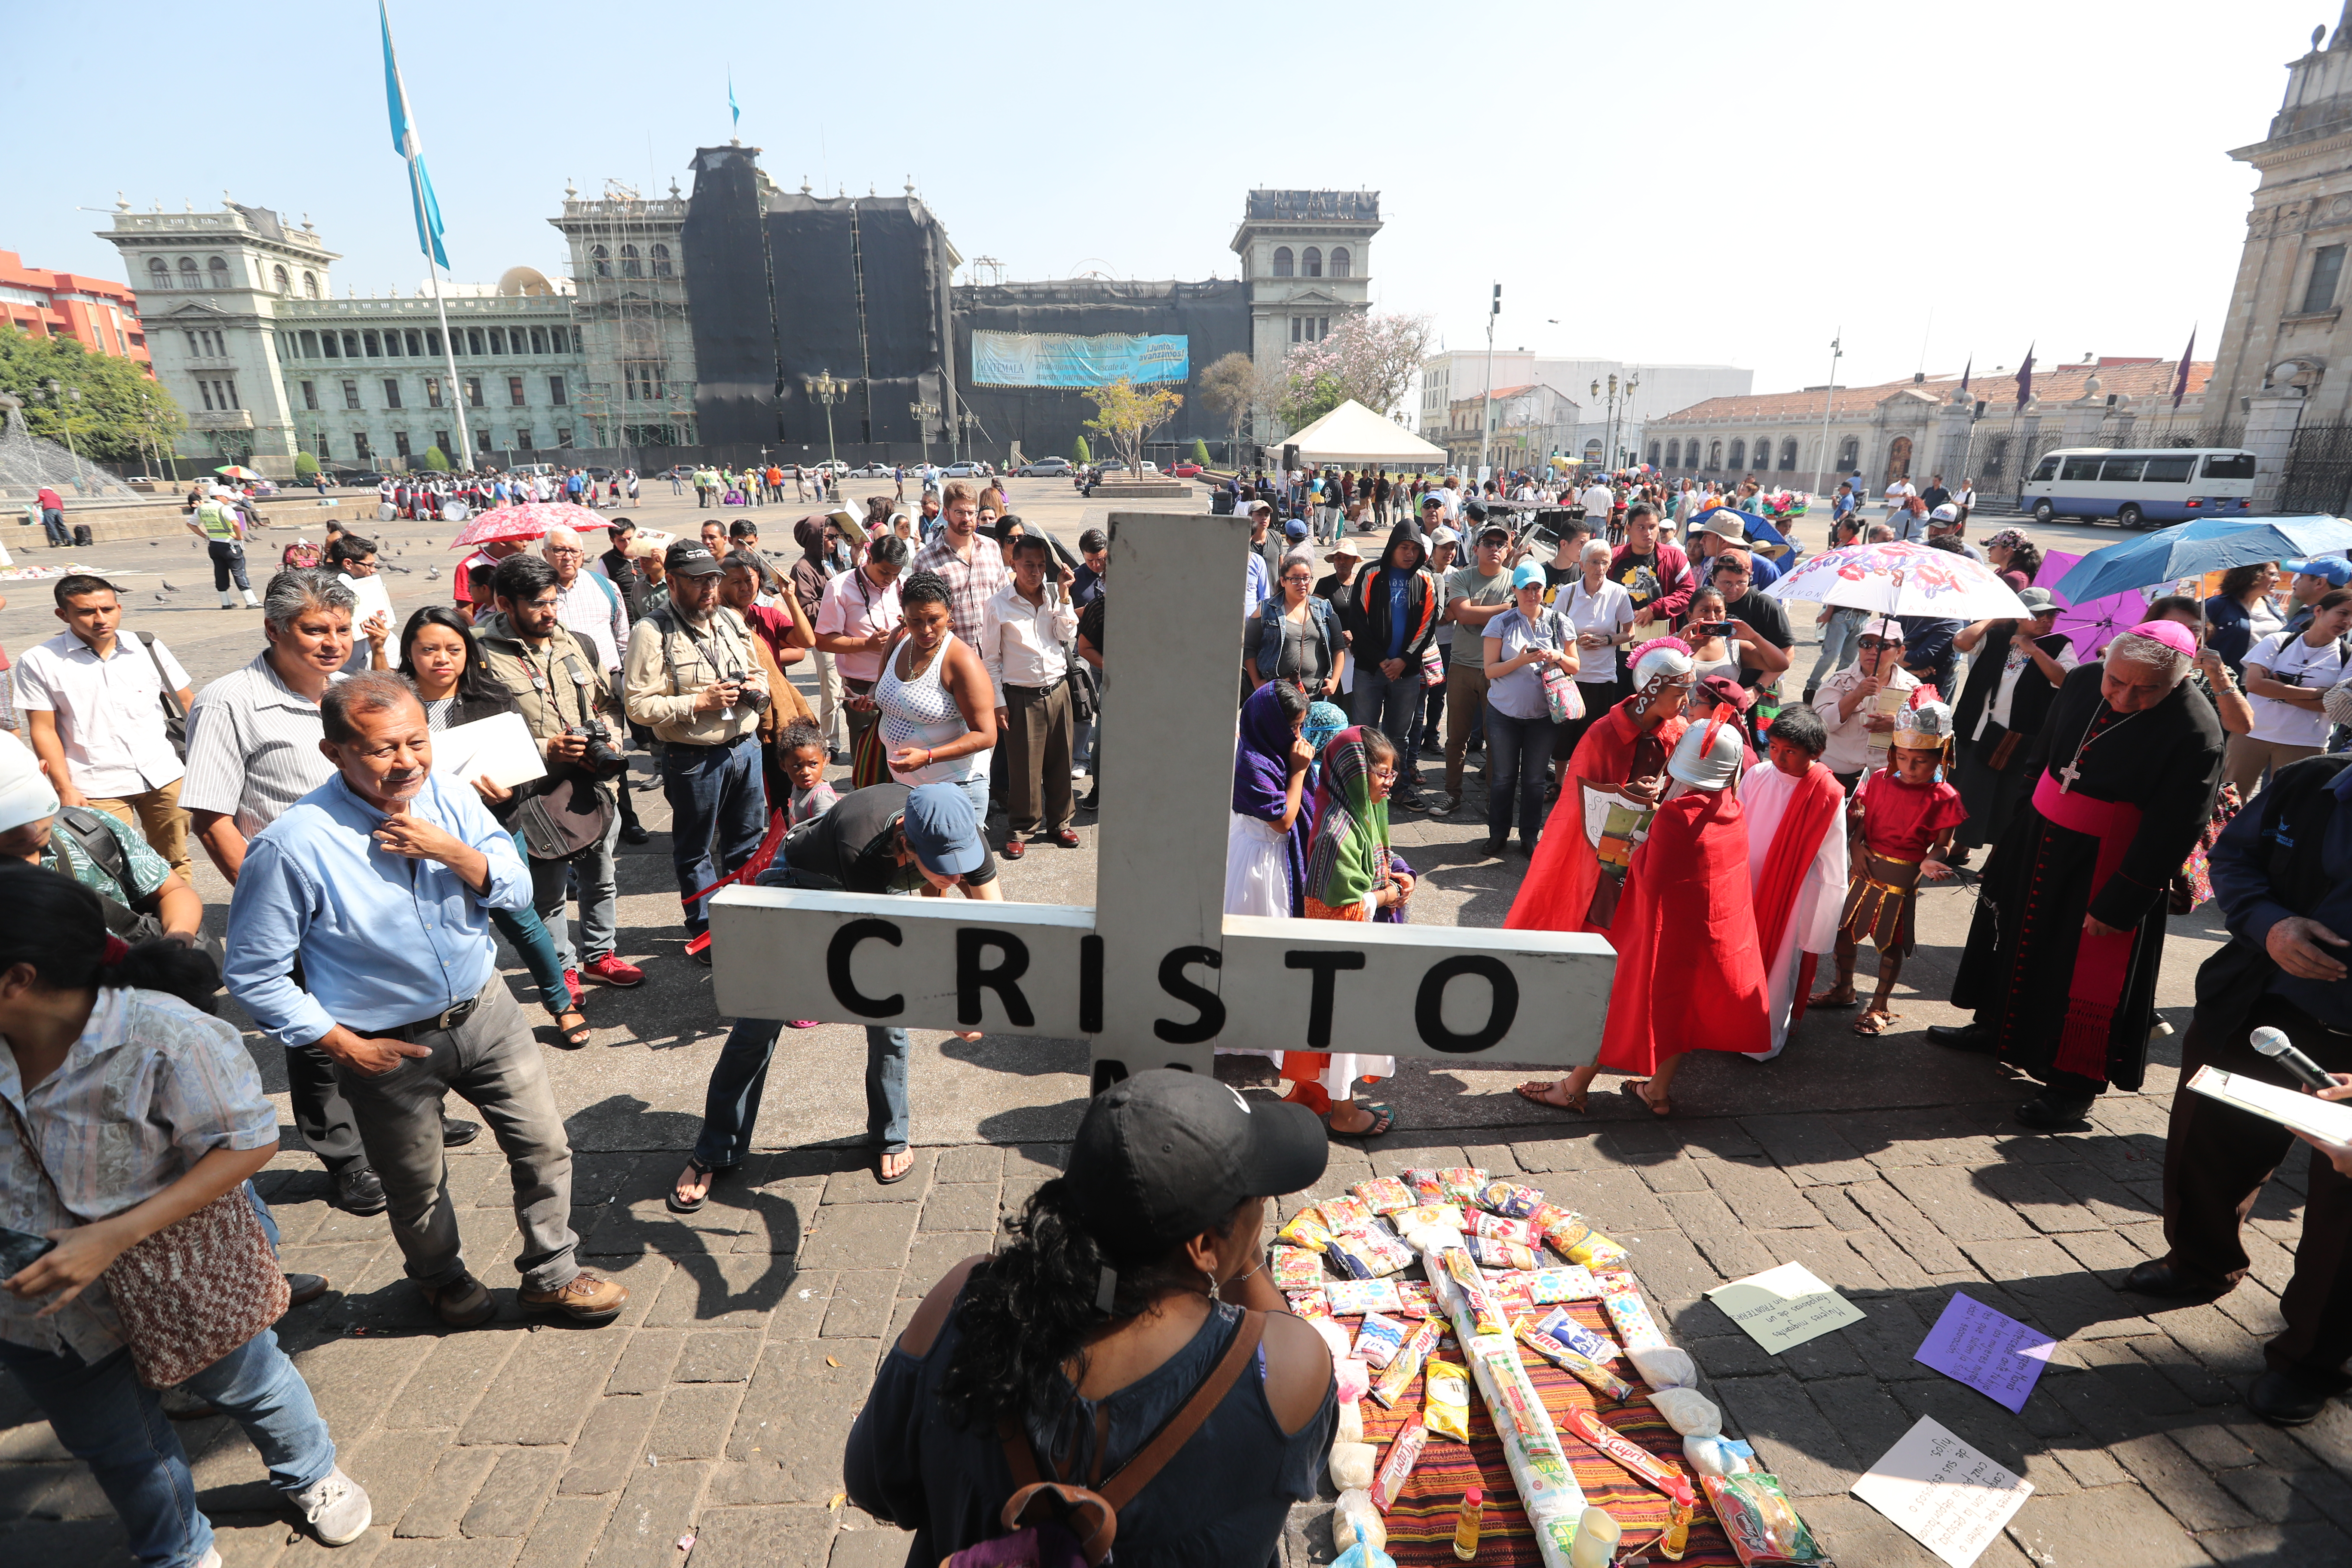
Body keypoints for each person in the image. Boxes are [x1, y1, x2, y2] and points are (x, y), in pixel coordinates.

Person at [223, 674, 629, 1328]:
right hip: (387, 1046)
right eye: (384, 749)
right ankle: (441, 1280)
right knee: (415, 1184)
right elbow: (254, 974)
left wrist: (452, 851)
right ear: (335, 754)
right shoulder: (293, 845)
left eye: (418, 742)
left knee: (545, 1145)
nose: (407, 762)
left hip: (487, 1011)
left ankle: (552, 1273)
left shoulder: (449, 799)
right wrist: (343, 1045)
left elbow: (518, 892)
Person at [0, 864, 375, 1560]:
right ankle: (178, 1548)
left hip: (182, 1266)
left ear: (15, 979)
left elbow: (250, 1139)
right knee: (118, 1446)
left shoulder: (165, 1033)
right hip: (39, 1306)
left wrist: (115, 1234)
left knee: (254, 1383)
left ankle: (310, 1472)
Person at [845, 1069, 1332, 1563]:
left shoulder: (963, 1302)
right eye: (1257, 1199)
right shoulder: (1286, 1374)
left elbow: (871, 1484)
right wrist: (1242, 1256)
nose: (1266, 1206)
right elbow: (1282, 1351)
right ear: (1205, 1244)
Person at [2125, 749, 2352, 1424]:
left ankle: (2314, 1357)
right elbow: (2234, 858)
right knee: (2209, 1146)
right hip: (2261, 1007)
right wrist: (2268, 924)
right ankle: (2199, 1261)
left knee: (2346, 1216)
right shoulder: (2311, 781)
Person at [1934, 623, 2228, 1127]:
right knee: (2008, 932)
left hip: (2108, 863)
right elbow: (2043, 757)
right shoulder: (2082, 680)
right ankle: (1995, 1028)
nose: (2122, 696)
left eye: (2145, 690)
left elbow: (2175, 829)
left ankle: (2071, 1085)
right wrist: (2019, 827)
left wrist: (2121, 902)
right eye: (2116, 681)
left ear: (2178, 681)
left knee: (2074, 968)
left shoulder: (2197, 730)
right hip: (2038, 834)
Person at [671, 781, 999, 1200]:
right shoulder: (861, 844)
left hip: (878, 882)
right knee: (759, 1020)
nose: (958, 876)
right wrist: (949, 1005)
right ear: (907, 843)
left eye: (962, 864)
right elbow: (885, 955)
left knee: (889, 1027)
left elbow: (994, 924)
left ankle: (890, 1135)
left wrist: (973, 1000)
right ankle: (716, 1150)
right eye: (944, 865)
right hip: (804, 882)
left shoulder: (963, 832)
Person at [398, 606, 590, 1047]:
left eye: (454, 648)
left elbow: (525, 773)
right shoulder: (394, 703)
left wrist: (510, 794)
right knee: (429, 925)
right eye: (429, 649)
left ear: (470, 651)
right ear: (410, 653)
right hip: (419, 835)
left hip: (492, 828)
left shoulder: (493, 697)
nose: (442, 659)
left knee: (522, 920)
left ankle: (561, 1003)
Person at [1579, 711, 1773, 1116]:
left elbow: (1643, 875)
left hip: (1659, 931)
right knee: (1681, 1006)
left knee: (1618, 999)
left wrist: (1635, 833)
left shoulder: (1673, 816)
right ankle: (1658, 1092)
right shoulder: (1731, 808)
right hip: (1708, 933)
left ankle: (1574, 1087)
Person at [473, 554, 646, 998]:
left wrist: (610, 735)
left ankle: (600, 956)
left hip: (592, 784)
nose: (550, 612)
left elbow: (608, 703)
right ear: (504, 604)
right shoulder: (480, 657)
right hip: (534, 794)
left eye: (553, 602)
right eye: (537, 604)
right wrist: (545, 749)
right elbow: (474, 733)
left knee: (602, 879)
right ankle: (563, 970)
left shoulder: (577, 643)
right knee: (549, 895)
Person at [1506, 634, 1697, 1008]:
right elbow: (1577, 807)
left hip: (1648, 848)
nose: (1687, 703)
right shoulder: (1603, 735)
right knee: (1597, 910)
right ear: (1651, 689)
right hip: (1604, 853)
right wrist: (1627, 794)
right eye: (1680, 694)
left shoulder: (1677, 730)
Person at [624, 542, 771, 955]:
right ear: (671, 582)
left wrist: (754, 687)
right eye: (698, 580)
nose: (710, 588)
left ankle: (745, 919)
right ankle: (707, 932)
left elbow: (757, 668)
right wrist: (698, 703)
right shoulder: (650, 632)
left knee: (746, 843)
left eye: (713, 579)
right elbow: (637, 705)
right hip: (693, 759)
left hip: (745, 748)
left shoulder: (727, 618)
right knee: (696, 851)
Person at [16, 574, 196, 882]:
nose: (100, 619)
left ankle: (182, 927)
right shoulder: (39, 661)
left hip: (164, 776)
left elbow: (188, 703)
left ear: (119, 607)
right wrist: (64, 788)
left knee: (175, 860)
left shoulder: (147, 646)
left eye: (108, 609)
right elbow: (43, 730)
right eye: (87, 612)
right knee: (109, 868)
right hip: (95, 785)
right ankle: (131, 929)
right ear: (63, 615)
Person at [1810, 694, 1966, 1035]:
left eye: (1921, 761)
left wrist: (1929, 862)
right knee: (1844, 932)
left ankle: (1879, 1003)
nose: (1910, 768)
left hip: (1902, 874)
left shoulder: (1945, 796)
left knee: (1890, 941)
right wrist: (1855, 846)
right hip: (1863, 869)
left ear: (1941, 757)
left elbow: (1943, 845)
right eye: (1904, 757)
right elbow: (1863, 824)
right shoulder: (1879, 779)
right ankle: (1843, 988)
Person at [1292, 726, 1405, 1138]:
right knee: (1344, 1032)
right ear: (1354, 774)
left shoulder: (1364, 811)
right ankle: (1342, 1113)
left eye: (1393, 773)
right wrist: (1387, 895)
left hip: (1355, 951)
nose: (1390, 783)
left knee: (1348, 1033)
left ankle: (1337, 1101)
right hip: (1340, 959)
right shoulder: (1334, 835)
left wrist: (1397, 877)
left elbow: (1376, 863)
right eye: (1381, 773)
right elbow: (1333, 912)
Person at [1738, 708, 1848, 1060]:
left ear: (1814, 752)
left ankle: (1761, 1038)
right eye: (1774, 748)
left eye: (1790, 752)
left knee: (1778, 963)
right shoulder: (1757, 775)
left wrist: (1822, 918)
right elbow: (1735, 823)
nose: (1779, 758)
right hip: (1745, 882)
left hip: (1791, 893)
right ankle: (1726, 1025)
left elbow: (1833, 861)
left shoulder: (1827, 793)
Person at [1950, 588, 2076, 864]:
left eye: (2051, 614)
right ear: (2019, 615)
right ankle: (1961, 846)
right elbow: (1961, 642)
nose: (2047, 620)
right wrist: (1996, 618)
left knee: (2009, 798)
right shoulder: (1996, 636)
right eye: (2038, 614)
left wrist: (2034, 650)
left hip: (2021, 735)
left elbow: (2067, 681)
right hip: (1978, 727)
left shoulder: (2059, 644)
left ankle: (1997, 858)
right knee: (1969, 790)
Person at [541, 526, 649, 846]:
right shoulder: (540, 595)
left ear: (583, 553)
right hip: (557, 688)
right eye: (559, 550)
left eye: (573, 551)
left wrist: (624, 675)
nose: (567, 557)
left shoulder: (604, 586)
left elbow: (622, 634)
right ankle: (567, 828)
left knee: (612, 751)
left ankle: (626, 819)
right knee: (570, 757)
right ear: (545, 554)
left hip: (604, 685)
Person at [981, 535, 1081, 858]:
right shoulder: (998, 605)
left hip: (1058, 689)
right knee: (1024, 768)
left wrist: (1064, 596)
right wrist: (998, 701)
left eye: (1041, 565)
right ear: (1014, 564)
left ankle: (1061, 823)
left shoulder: (1054, 596)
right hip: (1020, 696)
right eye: (1029, 565)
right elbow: (991, 659)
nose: (1036, 572)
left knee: (1062, 761)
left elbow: (1067, 636)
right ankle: (1022, 828)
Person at [875, 569, 998, 819]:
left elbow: (986, 735)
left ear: (949, 613)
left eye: (934, 619)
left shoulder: (962, 661)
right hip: (904, 786)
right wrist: (870, 701)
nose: (926, 630)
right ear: (903, 616)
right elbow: (884, 689)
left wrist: (928, 757)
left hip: (955, 788)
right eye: (915, 621)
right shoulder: (898, 640)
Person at [1480, 563, 1580, 858]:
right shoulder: (1501, 622)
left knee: (1535, 779)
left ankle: (1529, 836)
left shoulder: (1560, 622)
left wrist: (1557, 655)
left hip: (1543, 716)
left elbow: (1575, 666)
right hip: (1504, 714)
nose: (1531, 594)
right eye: (1525, 588)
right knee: (1503, 777)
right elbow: (1490, 670)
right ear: (1515, 590)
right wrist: (1521, 661)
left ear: (1544, 590)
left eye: (1537, 588)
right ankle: (1498, 834)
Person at [1337, 524, 1439, 811]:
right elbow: (1359, 621)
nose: (1409, 554)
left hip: (1406, 674)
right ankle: (1359, 789)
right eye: (1404, 548)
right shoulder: (1371, 574)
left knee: (1399, 737)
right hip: (1370, 670)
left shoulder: (1426, 579)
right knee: (1363, 733)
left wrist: (1404, 660)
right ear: (1393, 546)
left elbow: (1428, 624)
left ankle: (1399, 789)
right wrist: (1382, 660)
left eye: (1415, 549)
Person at [2227, 588, 2352, 799]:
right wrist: (2315, 693)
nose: (2347, 621)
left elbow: (2332, 705)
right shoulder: (2278, 641)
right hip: (2251, 733)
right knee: (2229, 801)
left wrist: (2276, 691)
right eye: (2343, 613)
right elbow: (2254, 685)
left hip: (2305, 742)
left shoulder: (2347, 656)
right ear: (2319, 611)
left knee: (2285, 808)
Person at [1434, 522, 1515, 815]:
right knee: (1456, 737)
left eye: (1500, 544)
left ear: (1507, 551)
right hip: (1462, 667)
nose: (1494, 548)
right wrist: (1504, 610)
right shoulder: (1462, 577)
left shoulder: (1515, 579)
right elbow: (1464, 615)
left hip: (1500, 670)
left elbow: (1475, 614)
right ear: (1476, 548)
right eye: (1489, 543)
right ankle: (1452, 794)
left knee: (1497, 740)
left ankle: (1495, 799)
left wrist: (1482, 614)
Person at [815, 532, 909, 766]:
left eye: (895, 574)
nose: (889, 580)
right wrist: (867, 644)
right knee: (868, 762)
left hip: (903, 684)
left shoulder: (903, 585)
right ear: (869, 559)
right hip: (863, 689)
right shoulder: (840, 587)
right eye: (884, 572)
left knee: (902, 758)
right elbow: (824, 641)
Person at [1812, 616, 1918, 793]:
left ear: (1899, 651)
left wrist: (1899, 724)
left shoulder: (1913, 687)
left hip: (1888, 776)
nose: (1873, 651)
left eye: (1883, 646)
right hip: (1838, 775)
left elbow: (1929, 734)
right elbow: (1823, 725)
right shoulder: (1839, 681)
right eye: (1867, 644)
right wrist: (1856, 695)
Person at [1557, 537, 1637, 756]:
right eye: (1594, 562)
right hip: (1571, 676)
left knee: (1594, 736)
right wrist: (1574, 640)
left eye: (1604, 562)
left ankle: (1586, 781)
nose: (1600, 568)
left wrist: (1607, 640)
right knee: (1565, 736)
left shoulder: (1618, 593)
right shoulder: (1568, 592)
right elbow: (1552, 630)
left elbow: (1630, 633)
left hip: (1602, 676)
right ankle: (1560, 783)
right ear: (1581, 565)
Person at [790, 515, 855, 758]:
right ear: (816, 539)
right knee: (831, 691)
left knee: (851, 688)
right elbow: (805, 607)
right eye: (829, 537)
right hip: (825, 638)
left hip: (846, 634)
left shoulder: (836, 561)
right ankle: (830, 743)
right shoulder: (803, 568)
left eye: (836, 537)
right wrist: (835, 604)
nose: (834, 541)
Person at [1247, 552, 1347, 700]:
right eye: (1295, 579)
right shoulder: (1265, 610)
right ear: (1283, 581)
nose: (1302, 583)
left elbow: (1338, 647)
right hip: (1276, 694)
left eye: (1306, 578)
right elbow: (1249, 648)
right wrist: (1257, 682)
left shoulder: (1324, 608)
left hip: (1314, 694)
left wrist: (1335, 681)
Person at [1706, 549, 1793, 691]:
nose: (1734, 589)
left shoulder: (1766, 606)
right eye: (1727, 583)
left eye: (1741, 582)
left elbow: (1787, 653)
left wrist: (1757, 689)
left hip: (1752, 693)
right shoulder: (1704, 604)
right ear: (1714, 579)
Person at [1610, 502, 1696, 632]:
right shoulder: (1613, 558)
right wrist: (1627, 613)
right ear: (1629, 529)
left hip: (1660, 635)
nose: (1648, 533)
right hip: (1619, 635)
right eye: (1641, 527)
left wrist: (1655, 609)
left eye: (1652, 527)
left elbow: (1687, 592)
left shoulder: (1675, 557)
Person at [186, 485, 260, 609]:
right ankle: (251, 601)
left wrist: (206, 537)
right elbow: (236, 523)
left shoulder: (202, 508)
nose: (228, 499)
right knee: (239, 572)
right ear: (219, 497)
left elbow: (191, 524)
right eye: (226, 497)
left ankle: (226, 602)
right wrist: (239, 536)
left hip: (214, 545)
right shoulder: (224, 508)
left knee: (220, 573)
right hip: (229, 544)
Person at [2206, 562, 2284, 677]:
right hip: (2226, 679)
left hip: (2263, 682)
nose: (2278, 580)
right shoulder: (2217, 604)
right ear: (2253, 575)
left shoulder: (2272, 603)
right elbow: (2197, 638)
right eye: (2272, 574)